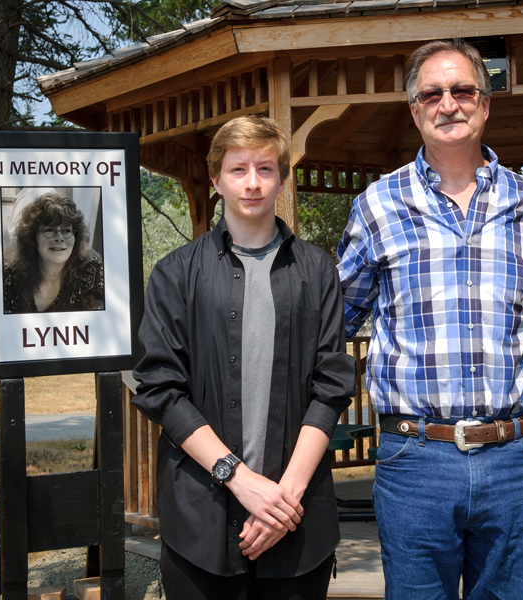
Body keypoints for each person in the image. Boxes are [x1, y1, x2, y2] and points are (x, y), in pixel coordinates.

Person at [337, 39, 523, 600]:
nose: (448, 104)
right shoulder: (377, 206)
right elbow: (331, 318)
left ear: (485, 105)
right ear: (414, 110)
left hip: (514, 456)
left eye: (463, 91)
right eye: (432, 93)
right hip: (415, 460)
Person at [132, 116, 356, 600]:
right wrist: (241, 481)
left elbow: (332, 386)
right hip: (201, 520)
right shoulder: (175, 274)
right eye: (238, 169)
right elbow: (161, 389)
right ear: (216, 179)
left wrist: (284, 498)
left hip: (298, 522)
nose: (252, 183)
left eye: (265, 169)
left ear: (282, 177)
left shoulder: (317, 271)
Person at [3, 190, 104, 313]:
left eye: (66, 231)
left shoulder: (91, 269)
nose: (59, 238)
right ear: (32, 237)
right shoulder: (10, 274)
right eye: (49, 230)